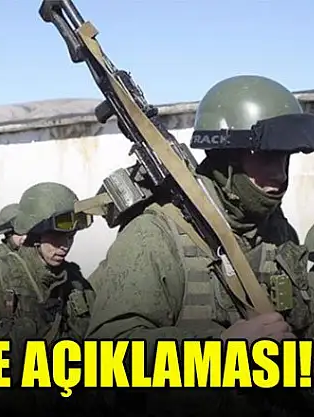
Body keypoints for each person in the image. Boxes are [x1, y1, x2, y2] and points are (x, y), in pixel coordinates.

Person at [86, 75, 314, 415]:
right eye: (266, 157)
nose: (280, 175)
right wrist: (220, 352)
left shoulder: (277, 231)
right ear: (227, 159)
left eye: (285, 158)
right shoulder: (156, 234)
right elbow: (107, 356)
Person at [0, 182, 95, 414]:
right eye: (56, 236)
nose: (65, 245)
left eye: (71, 236)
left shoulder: (74, 281)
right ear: (35, 232)